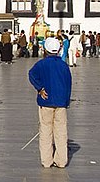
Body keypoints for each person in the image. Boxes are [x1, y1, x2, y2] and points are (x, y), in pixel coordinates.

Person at [28, 37, 72, 168]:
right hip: (61, 103)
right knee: (61, 132)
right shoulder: (63, 65)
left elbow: (31, 74)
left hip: (46, 101)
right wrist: (66, 100)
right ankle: (61, 160)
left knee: (45, 131)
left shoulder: (41, 64)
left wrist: (40, 88)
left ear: (45, 50)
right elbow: (68, 84)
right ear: (58, 50)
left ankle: (46, 161)